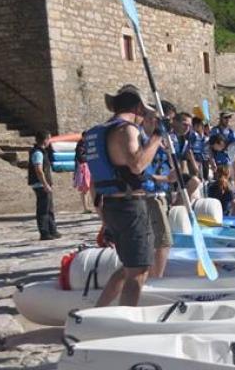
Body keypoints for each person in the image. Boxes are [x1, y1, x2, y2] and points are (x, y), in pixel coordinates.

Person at [87, 84, 163, 307]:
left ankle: (99, 313)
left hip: (111, 206)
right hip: (130, 206)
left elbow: (94, 181)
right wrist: (157, 137)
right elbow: (137, 164)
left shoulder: (100, 132)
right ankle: (125, 323)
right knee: (138, 271)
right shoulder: (126, 130)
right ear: (139, 108)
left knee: (128, 266)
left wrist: (103, 217)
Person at [141, 107, 174, 279]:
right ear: (146, 120)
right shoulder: (142, 140)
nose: (160, 124)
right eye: (156, 119)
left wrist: (168, 151)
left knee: (158, 239)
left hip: (160, 194)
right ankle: (156, 279)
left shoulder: (157, 141)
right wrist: (166, 179)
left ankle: (154, 275)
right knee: (163, 240)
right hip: (150, 194)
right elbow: (142, 171)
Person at [29, 131, 60, 240]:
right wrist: (45, 184)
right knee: (43, 209)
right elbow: (38, 170)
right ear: (45, 139)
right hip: (40, 185)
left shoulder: (43, 151)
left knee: (49, 208)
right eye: (49, 139)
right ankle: (44, 232)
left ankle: (53, 230)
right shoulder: (38, 153)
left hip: (44, 184)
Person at [72, 133, 92, 214]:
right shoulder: (80, 146)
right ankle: (85, 207)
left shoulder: (85, 145)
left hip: (87, 167)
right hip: (83, 168)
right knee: (85, 188)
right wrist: (90, 157)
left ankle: (87, 207)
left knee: (88, 188)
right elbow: (81, 158)